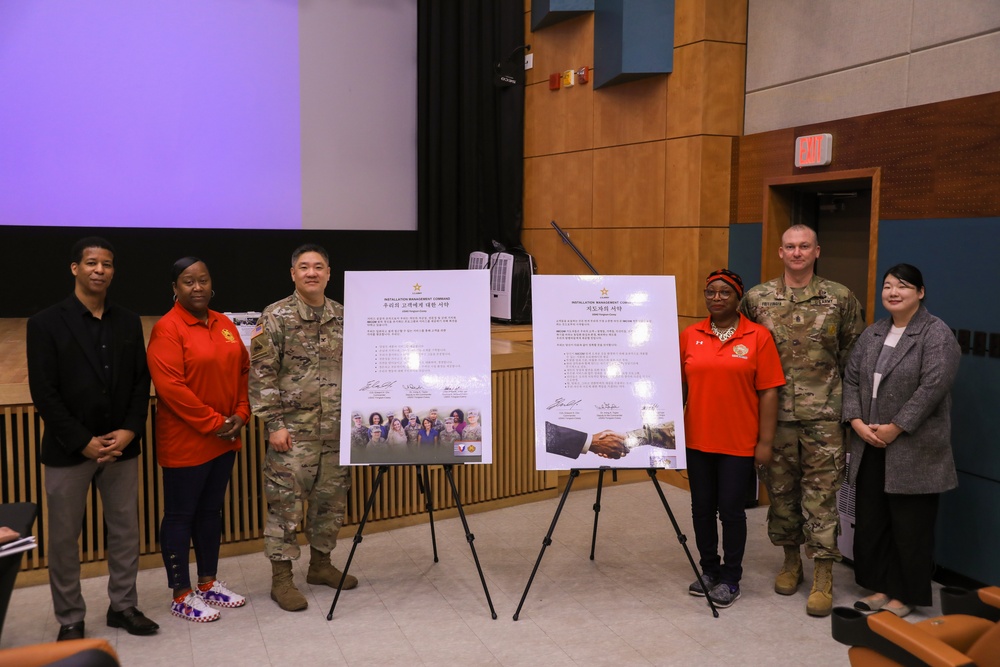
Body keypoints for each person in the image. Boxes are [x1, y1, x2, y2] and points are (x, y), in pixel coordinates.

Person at [26, 237, 159, 641]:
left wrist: (130, 430)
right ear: (75, 268)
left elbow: (141, 382)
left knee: (125, 531)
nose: (100, 270)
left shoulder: (127, 320)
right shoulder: (45, 323)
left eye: (107, 264)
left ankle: (123, 606)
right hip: (69, 448)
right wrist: (82, 439)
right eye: (91, 263)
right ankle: (70, 616)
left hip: (122, 445)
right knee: (65, 538)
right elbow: (44, 392)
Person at [739, 224, 865, 617]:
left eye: (804, 246)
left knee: (823, 497)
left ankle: (824, 574)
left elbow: (853, 356)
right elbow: (744, 354)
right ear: (780, 252)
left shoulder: (840, 298)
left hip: (823, 418)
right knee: (781, 493)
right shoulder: (757, 299)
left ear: (816, 251)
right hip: (773, 417)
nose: (797, 253)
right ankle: (791, 560)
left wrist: (848, 411)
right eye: (790, 247)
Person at [842, 264, 960, 618]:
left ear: (920, 293)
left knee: (910, 527)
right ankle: (880, 586)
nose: (893, 293)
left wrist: (896, 426)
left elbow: (933, 388)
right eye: (888, 286)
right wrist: (856, 421)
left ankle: (903, 595)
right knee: (873, 520)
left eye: (903, 287)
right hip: (869, 442)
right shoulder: (874, 333)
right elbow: (850, 379)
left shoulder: (936, 334)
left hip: (913, 448)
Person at [249, 244, 357, 613]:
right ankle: (282, 580)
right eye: (304, 267)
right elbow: (261, 374)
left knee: (330, 504)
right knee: (285, 506)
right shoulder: (275, 315)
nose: (312, 273)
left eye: (319, 267)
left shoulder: (344, 316)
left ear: (329, 273)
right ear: (292, 273)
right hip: (293, 433)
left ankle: (321, 566)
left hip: (337, 431)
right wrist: (274, 424)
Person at [146, 257, 251, 623]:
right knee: (180, 515)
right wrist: (214, 422)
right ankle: (181, 593)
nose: (197, 287)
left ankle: (207, 583)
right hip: (187, 440)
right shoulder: (168, 328)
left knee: (211, 511)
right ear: (174, 287)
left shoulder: (224, 323)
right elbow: (171, 388)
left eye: (203, 280)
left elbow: (242, 370)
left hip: (224, 435)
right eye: (188, 281)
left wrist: (240, 413)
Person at [680, 269, 785, 608]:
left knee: (731, 512)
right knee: (701, 509)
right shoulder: (689, 335)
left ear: (738, 297)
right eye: (710, 292)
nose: (716, 298)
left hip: (739, 443)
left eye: (725, 292)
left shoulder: (757, 337)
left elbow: (769, 392)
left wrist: (764, 443)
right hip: (697, 439)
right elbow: (675, 385)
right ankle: (709, 570)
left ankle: (730, 578)